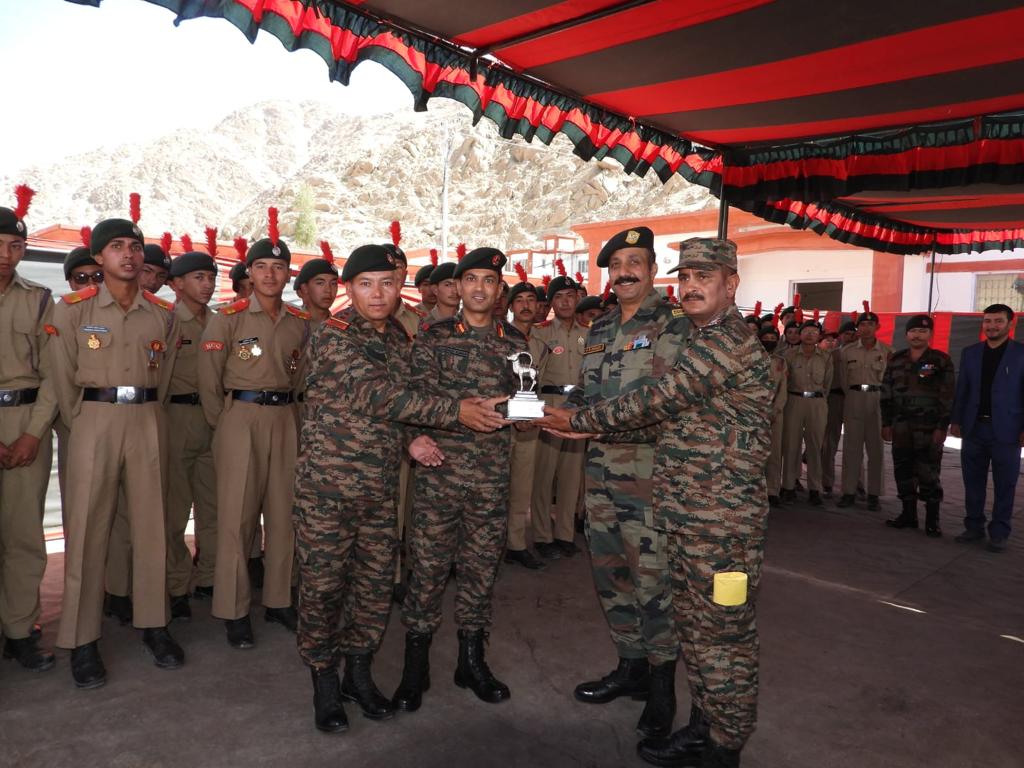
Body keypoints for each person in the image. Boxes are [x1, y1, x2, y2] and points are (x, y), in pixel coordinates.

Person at [540, 237, 771, 768]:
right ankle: (704, 729)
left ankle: (724, 745)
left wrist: (579, 421)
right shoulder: (697, 335)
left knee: (724, 639)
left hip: (723, 522)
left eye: (704, 277)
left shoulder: (725, 341)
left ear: (731, 284)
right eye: (685, 277)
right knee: (699, 631)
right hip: (688, 512)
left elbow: (660, 398)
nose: (690, 286)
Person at [292, 244, 507, 732]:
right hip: (329, 489)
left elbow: (408, 404)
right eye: (366, 283)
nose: (377, 293)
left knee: (371, 588)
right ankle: (324, 681)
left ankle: (359, 674)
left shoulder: (398, 338)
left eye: (387, 283)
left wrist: (415, 437)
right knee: (323, 587)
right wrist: (456, 413)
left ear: (399, 288)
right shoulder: (332, 336)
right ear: (348, 289)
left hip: (381, 487)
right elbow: (377, 395)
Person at [49, 212, 185, 688]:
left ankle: (154, 625)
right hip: (94, 420)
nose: (128, 254)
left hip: (147, 417)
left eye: (134, 246)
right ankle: (82, 640)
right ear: (98, 257)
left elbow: (163, 379)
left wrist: (147, 411)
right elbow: (61, 377)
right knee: (87, 530)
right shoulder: (72, 310)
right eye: (117, 247)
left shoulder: (162, 314)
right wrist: (82, 422)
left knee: (152, 527)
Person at [566, 226, 690, 740]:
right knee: (612, 574)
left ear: (653, 268)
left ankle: (663, 688)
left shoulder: (675, 325)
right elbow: (587, 395)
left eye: (635, 261)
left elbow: (670, 404)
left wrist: (584, 422)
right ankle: (631, 667)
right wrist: (550, 412)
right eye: (616, 264)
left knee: (653, 581)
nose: (625, 271)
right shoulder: (599, 328)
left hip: (650, 478)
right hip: (600, 474)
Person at [393, 246, 525, 711]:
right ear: (459, 286)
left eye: (489, 281)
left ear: (499, 290)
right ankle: (415, 667)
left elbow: (521, 405)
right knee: (427, 569)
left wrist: (524, 415)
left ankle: (471, 660)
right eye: (471, 280)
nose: (479, 289)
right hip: (440, 471)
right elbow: (411, 400)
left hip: (491, 475)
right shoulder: (433, 336)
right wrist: (415, 437)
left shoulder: (515, 343)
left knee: (480, 570)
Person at [198, 210, 309, 648]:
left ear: (287, 275)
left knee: (284, 515)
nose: (269, 274)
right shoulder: (227, 318)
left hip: (285, 418)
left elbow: (301, 378)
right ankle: (233, 608)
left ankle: (280, 599)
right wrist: (224, 424)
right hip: (239, 419)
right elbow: (209, 381)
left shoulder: (300, 324)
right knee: (236, 520)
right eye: (261, 267)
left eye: (278, 267)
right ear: (249, 272)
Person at [0, 186, 58, 672]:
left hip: (25, 423)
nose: (6, 255)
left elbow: (54, 376)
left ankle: (20, 631)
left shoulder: (40, 301)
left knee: (24, 537)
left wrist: (33, 433)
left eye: (15, 247)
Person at [164, 247, 220, 619]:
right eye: (199, 278)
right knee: (173, 511)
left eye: (211, 278)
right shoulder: (166, 321)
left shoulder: (220, 322)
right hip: (176, 418)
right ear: (177, 283)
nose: (207, 285)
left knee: (214, 508)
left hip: (214, 420)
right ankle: (176, 585)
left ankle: (209, 579)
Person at [949, 304, 1024, 552]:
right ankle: (973, 527)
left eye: (998, 321)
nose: (992, 326)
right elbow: (963, 390)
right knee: (973, 481)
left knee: (1006, 484)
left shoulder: (1020, 354)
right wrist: (956, 420)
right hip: (974, 428)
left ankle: (999, 532)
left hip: (1007, 430)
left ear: (1010, 324)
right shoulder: (970, 353)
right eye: (988, 321)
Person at [880, 315, 955, 537]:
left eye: (922, 332)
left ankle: (932, 520)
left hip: (928, 427)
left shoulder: (941, 360)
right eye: (913, 331)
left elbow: (948, 395)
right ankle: (908, 515)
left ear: (930, 334)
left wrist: (943, 426)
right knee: (902, 470)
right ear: (906, 335)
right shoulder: (896, 359)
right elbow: (886, 392)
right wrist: (886, 422)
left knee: (929, 472)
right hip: (901, 425)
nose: (917, 335)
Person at [531, 269, 587, 559]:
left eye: (570, 296)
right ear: (551, 302)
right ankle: (542, 534)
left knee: (571, 474)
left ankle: (565, 534)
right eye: (559, 297)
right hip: (549, 404)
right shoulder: (541, 333)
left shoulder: (589, 336)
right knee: (544, 473)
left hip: (577, 406)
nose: (565, 302)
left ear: (578, 298)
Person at [504, 270, 547, 570]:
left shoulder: (542, 342)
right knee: (496, 486)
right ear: (510, 306)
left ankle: (516, 544)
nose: (526, 305)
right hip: (501, 423)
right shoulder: (500, 337)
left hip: (530, 422)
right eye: (519, 300)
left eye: (531, 299)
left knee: (522, 485)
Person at [837, 309, 891, 510]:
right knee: (852, 448)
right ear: (857, 328)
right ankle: (849, 492)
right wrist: (852, 396)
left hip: (877, 400)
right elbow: (843, 380)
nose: (866, 328)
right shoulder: (847, 352)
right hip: (854, 398)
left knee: (876, 449)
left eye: (870, 324)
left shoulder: (887, 352)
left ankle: (874, 494)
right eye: (862, 325)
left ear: (877, 327)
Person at [780, 320, 833, 505]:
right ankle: (787, 486)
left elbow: (828, 383)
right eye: (806, 331)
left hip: (817, 402)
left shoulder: (826, 357)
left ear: (819, 335)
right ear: (800, 334)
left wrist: (819, 400)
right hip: (794, 400)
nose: (810, 334)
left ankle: (815, 489)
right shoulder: (789, 355)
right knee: (791, 445)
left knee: (815, 447)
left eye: (814, 331)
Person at [822, 320, 857, 496]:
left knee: (855, 443)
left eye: (853, 333)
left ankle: (856, 483)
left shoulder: (862, 353)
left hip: (854, 399)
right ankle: (827, 480)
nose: (850, 337)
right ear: (841, 336)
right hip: (834, 398)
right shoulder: (833, 355)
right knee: (830, 441)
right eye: (847, 334)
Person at [759, 325, 788, 507]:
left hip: (774, 414)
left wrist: (775, 410)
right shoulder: (750, 360)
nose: (769, 340)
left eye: (773, 337)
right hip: (753, 412)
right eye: (766, 337)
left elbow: (783, 390)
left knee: (775, 454)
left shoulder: (781, 363)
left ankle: (772, 490)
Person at [294, 244, 340, 325]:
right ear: (305, 288)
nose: (328, 290)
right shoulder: (289, 323)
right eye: (320, 283)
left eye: (333, 284)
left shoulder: (343, 328)